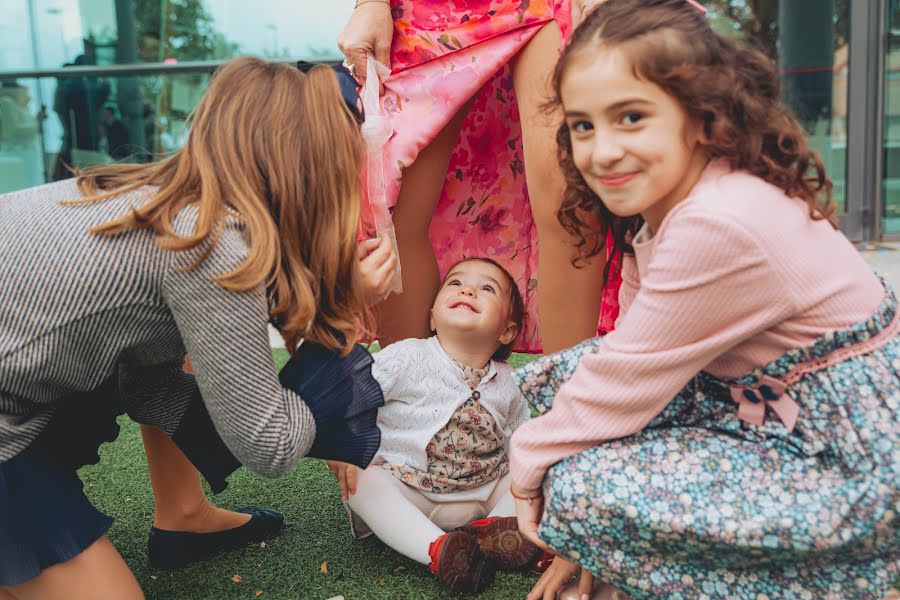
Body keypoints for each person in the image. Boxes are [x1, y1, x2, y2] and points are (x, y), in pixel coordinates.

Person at [505, 1, 900, 598]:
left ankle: (859, 576)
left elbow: (623, 382)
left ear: (698, 117)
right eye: (583, 125)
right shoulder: (666, 212)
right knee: (569, 383)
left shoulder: (718, 222)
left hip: (862, 463)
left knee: (582, 480)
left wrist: (530, 471)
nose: (602, 151)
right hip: (780, 413)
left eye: (631, 117)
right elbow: (623, 368)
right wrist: (593, 544)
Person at [0, 56, 397, 599]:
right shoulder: (214, 246)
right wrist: (342, 311)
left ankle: (181, 517)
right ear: (312, 171)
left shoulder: (171, 199)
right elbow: (270, 445)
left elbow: (145, 378)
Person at [337, 0, 621, 355]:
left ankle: (571, 403)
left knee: (571, 199)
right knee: (396, 210)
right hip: (429, 10)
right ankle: (412, 399)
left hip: (556, 6)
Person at [325, 258, 540, 594]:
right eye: (454, 283)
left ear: (507, 331)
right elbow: (348, 393)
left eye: (486, 288)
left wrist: (532, 474)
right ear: (432, 317)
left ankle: (491, 531)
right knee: (362, 480)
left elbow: (521, 437)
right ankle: (439, 551)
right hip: (412, 491)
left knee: (533, 471)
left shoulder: (510, 381)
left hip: (483, 493)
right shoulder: (407, 357)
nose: (467, 289)